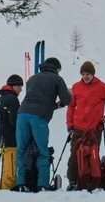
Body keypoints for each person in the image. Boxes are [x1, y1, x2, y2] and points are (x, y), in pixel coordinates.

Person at [15, 57, 71, 192]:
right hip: (38, 118)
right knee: (42, 151)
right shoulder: (57, 79)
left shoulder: (32, 79)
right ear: (57, 68)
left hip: (22, 114)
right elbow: (67, 99)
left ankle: (21, 183)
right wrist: (60, 103)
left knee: (22, 150)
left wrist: (52, 105)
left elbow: (36, 98)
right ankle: (42, 184)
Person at [66, 61, 105, 191]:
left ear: (93, 74)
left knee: (93, 156)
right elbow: (71, 107)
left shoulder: (102, 87)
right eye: (83, 74)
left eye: (88, 74)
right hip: (78, 128)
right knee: (75, 156)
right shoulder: (76, 87)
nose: (85, 76)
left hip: (94, 129)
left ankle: (92, 181)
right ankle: (73, 181)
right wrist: (70, 125)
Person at [0, 74, 23, 191]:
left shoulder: (1, 99)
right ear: (14, 86)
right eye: (20, 86)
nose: (21, 89)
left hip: (2, 141)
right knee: (10, 175)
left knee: (6, 171)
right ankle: (2, 195)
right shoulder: (12, 99)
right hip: (11, 141)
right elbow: (14, 121)